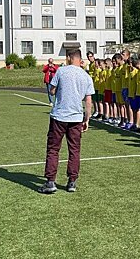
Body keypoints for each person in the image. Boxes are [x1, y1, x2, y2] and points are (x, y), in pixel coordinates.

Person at [38, 49, 94, 194]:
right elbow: (88, 101)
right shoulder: (86, 76)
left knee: (53, 149)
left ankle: (50, 181)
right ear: (80, 59)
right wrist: (87, 118)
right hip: (76, 118)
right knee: (74, 150)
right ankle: (72, 181)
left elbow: (51, 90)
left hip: (59, 116)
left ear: (69, 58)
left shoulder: (61, 71)